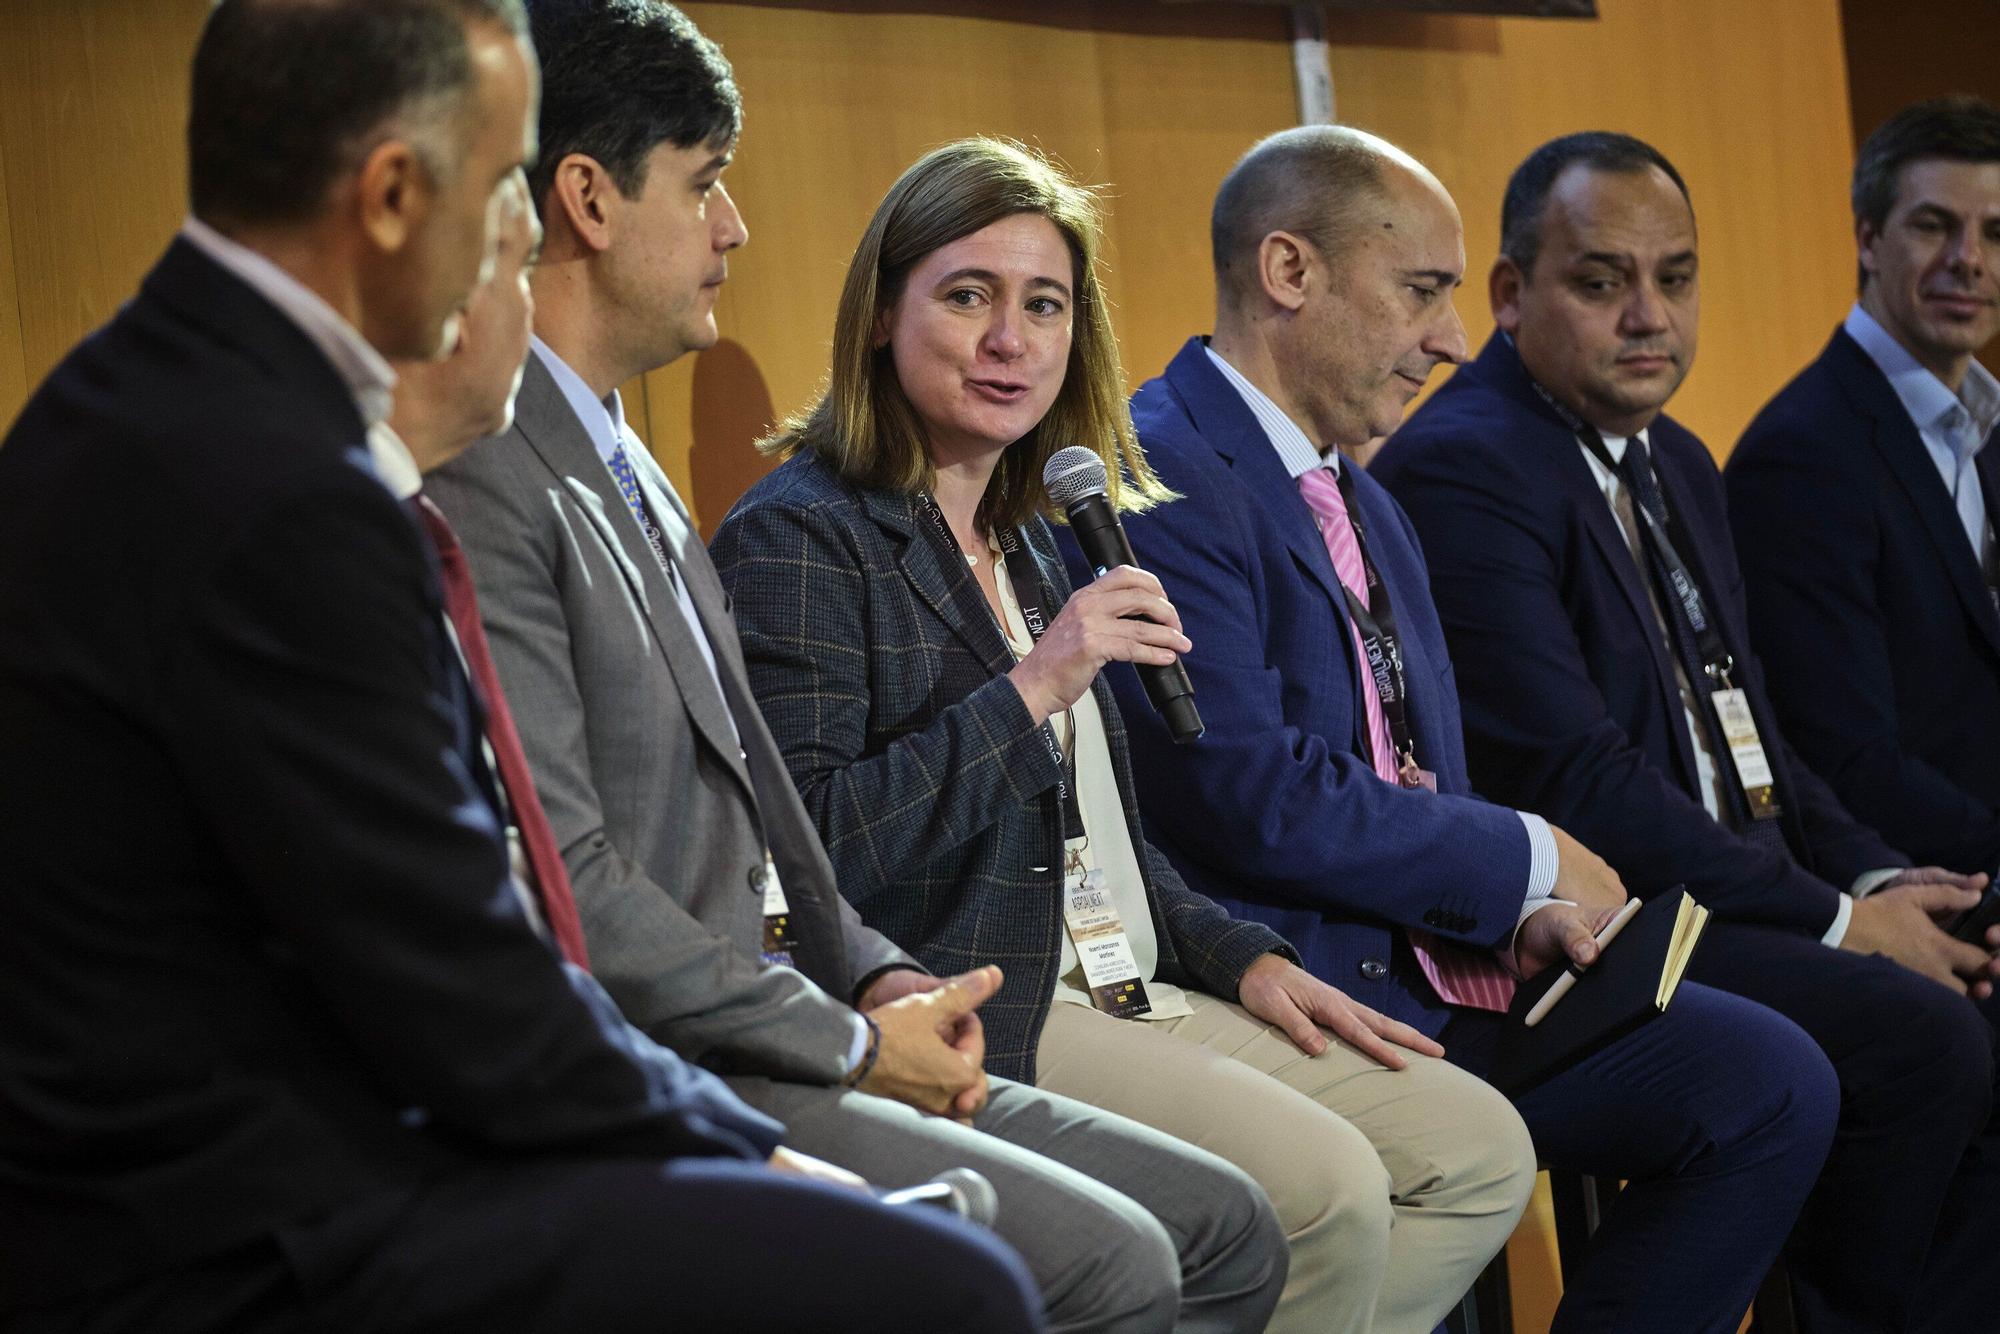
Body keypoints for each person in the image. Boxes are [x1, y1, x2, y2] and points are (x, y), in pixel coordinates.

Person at [0, 3, 1046, 1330]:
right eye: (506, 182)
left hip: (291, 1140)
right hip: (249, 1224)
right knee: (953, 1288)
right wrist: (762, 1157)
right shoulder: (276, 490)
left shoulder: (144, 396)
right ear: (390, 194)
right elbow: (466, 998)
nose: (523, 230)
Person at [422, 5, 1287, 1330]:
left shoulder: (630, 461)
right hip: (678, 1059)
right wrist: (840, 1028)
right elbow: (572, 878)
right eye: (706, 184)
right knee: (1121, 1261)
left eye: (1045, 304)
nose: (735, 231)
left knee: (1226, 1226)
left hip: (811, 1011)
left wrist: (878, 974)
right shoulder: (503, 468)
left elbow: (773, 818)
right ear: (588, 200)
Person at [712, 134, 1539, 1334]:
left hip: (1129, 970)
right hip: (992, 987)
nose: (1010, 340)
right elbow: (817, 848)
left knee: (1475, 1149)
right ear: (884, 312)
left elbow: (1100, 831)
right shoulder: (803, 534)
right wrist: (1032, 686)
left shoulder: (1041, 526)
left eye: (1042, 304)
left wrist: (1243, 954)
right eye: (967, 296)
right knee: (1332, 1194)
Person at [1089, 124, 1839, 1333]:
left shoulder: (1366, 494)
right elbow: (1239, 787)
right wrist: (1526, 857)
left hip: (1447, 977)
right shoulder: (1163, 472)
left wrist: (1518, 909)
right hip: (1295, 994)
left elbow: (1417, 763)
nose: (1450, 338)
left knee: (1768, 1080)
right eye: (1421, 291)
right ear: (1289, 273)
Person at [1375, 129, 2000, 1334]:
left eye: (1674, 276)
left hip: (1726, 888)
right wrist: (1835, 919)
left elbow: (1755, 745)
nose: (1646, 315)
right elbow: (1583, 780)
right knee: (1921, 1037)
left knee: (1971, 968)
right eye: (1600, 281)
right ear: (1509, 295)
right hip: (1597, 925)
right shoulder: (1467, 468)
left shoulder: (1673, 456)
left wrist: (1877, 876)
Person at [1728, 96, 2000, 882]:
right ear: (1869, 239)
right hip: (1926, 883)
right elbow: (1849, 758)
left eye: (1994, 233)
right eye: (1934, 225)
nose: (1969, 259)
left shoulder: (1984, 423)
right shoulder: (1802, 454)